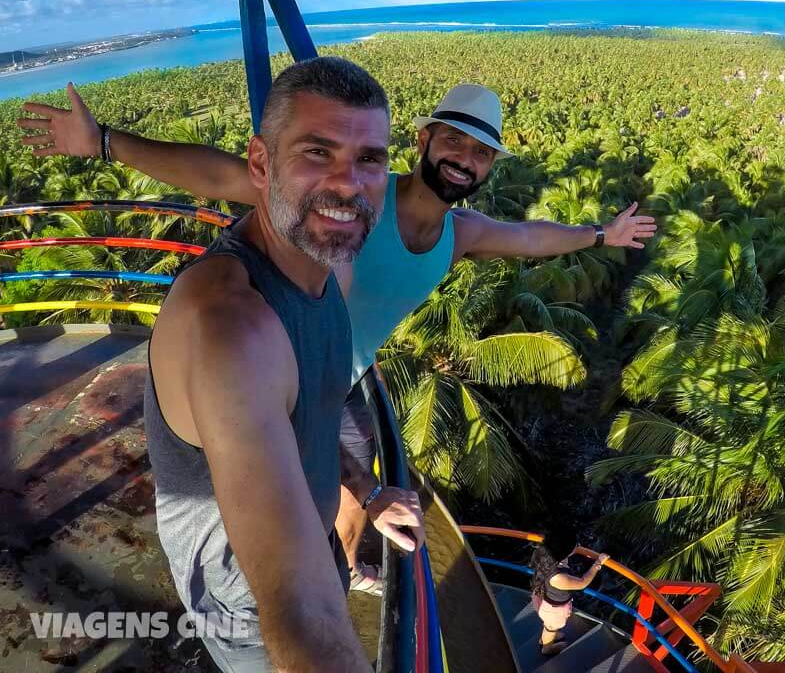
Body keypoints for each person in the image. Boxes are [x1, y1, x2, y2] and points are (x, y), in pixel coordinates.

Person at [20, 80, 655, 594]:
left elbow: (531, 237)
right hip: (274, 373)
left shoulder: (459, 233)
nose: (464, 158)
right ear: (424, 138)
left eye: (481, 152)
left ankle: (354, 566)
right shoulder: (355, 196)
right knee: (270, 519)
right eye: (454, 140)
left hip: (341, 376)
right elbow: (219, 176)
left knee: (355, 485)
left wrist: (601, 235)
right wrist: (102, 142)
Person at [138, 57, 423, 673]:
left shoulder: (328, 270)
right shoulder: (233, 325)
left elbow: (310, 425)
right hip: (246, 601)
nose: (349, 184)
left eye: (370, 159)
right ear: (261, 165)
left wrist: (366, 489)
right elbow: (299, 611)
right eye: (318, 153)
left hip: (315, 546)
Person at [529, 529, 608, 655]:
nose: (577, 547)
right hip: (553, 610)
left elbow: (564, 552)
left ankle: (548, 634)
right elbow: (582, 582)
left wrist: (576, 549)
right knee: (551, 627)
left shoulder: (547, 555)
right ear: (564, 551)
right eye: (574, 546)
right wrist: (597, 563)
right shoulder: (558, 577)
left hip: (545, 597)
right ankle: (547, 647)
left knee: (550, 626)